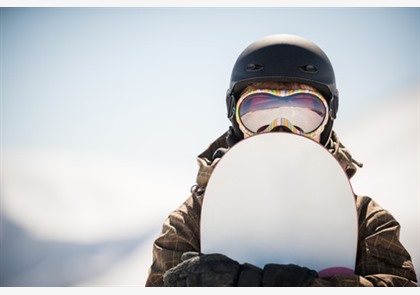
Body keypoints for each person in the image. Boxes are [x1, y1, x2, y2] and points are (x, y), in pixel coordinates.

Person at [145, 34, 418, 287]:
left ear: (329, 120)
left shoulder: (365, 219)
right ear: (235, 119)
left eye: (305, 113)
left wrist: (307, 288)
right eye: (260, 111)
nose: (281, 128)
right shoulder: (194, 217)